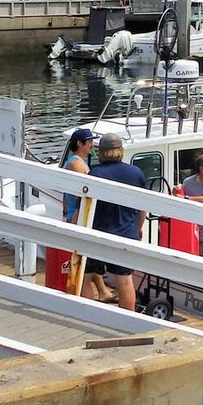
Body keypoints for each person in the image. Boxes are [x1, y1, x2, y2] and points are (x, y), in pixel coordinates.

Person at [85, 132, 146, 311]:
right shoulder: (136, 173)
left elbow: (85, 207)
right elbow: (143, 207)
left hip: (98, 233)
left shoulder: (95, 174)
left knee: (86, 277)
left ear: (101, 152)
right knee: (125, 280)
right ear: (121, 150)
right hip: (126, 232)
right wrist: (138, 228)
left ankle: (86, 315)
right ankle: (127, 319)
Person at [60, 127, 114, 301]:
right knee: (85, 259)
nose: (92, 144)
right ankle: (87, 298)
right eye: (89, 141)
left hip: (78, 213)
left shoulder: (78, 162)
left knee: (89, 257)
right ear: (79, 143)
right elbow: (86, 189)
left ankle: (103, 291)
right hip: (78, 215)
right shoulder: (75, 163)